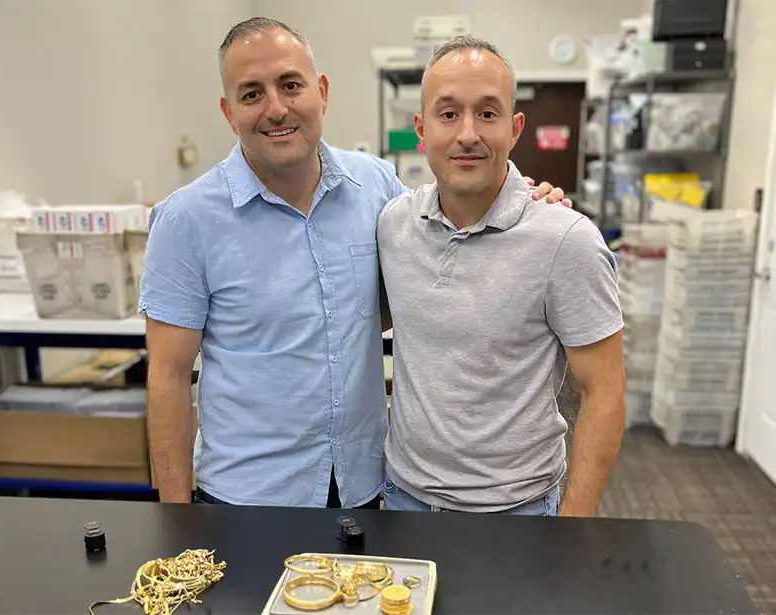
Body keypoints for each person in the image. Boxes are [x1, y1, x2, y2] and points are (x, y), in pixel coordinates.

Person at [140, 18, 571, 508]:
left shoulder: (377, 187)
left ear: (320, 92)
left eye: (290, 85)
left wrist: (528, 202)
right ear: (228, 111)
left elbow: (447, 240)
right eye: (251, 93)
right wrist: (177, 520)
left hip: (364, 489)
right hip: (248, 499)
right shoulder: (186, 220)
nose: (276, 108)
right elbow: (169, 377)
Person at [377, 37, 626, 517]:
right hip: (403, 498)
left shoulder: (566, 239)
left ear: (514, 129)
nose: (467, 133)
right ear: (420, 129)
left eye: (487, 114)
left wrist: (571, 528)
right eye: (447, 114)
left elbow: (606, 392)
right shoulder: (393, 226)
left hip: (518, 511)